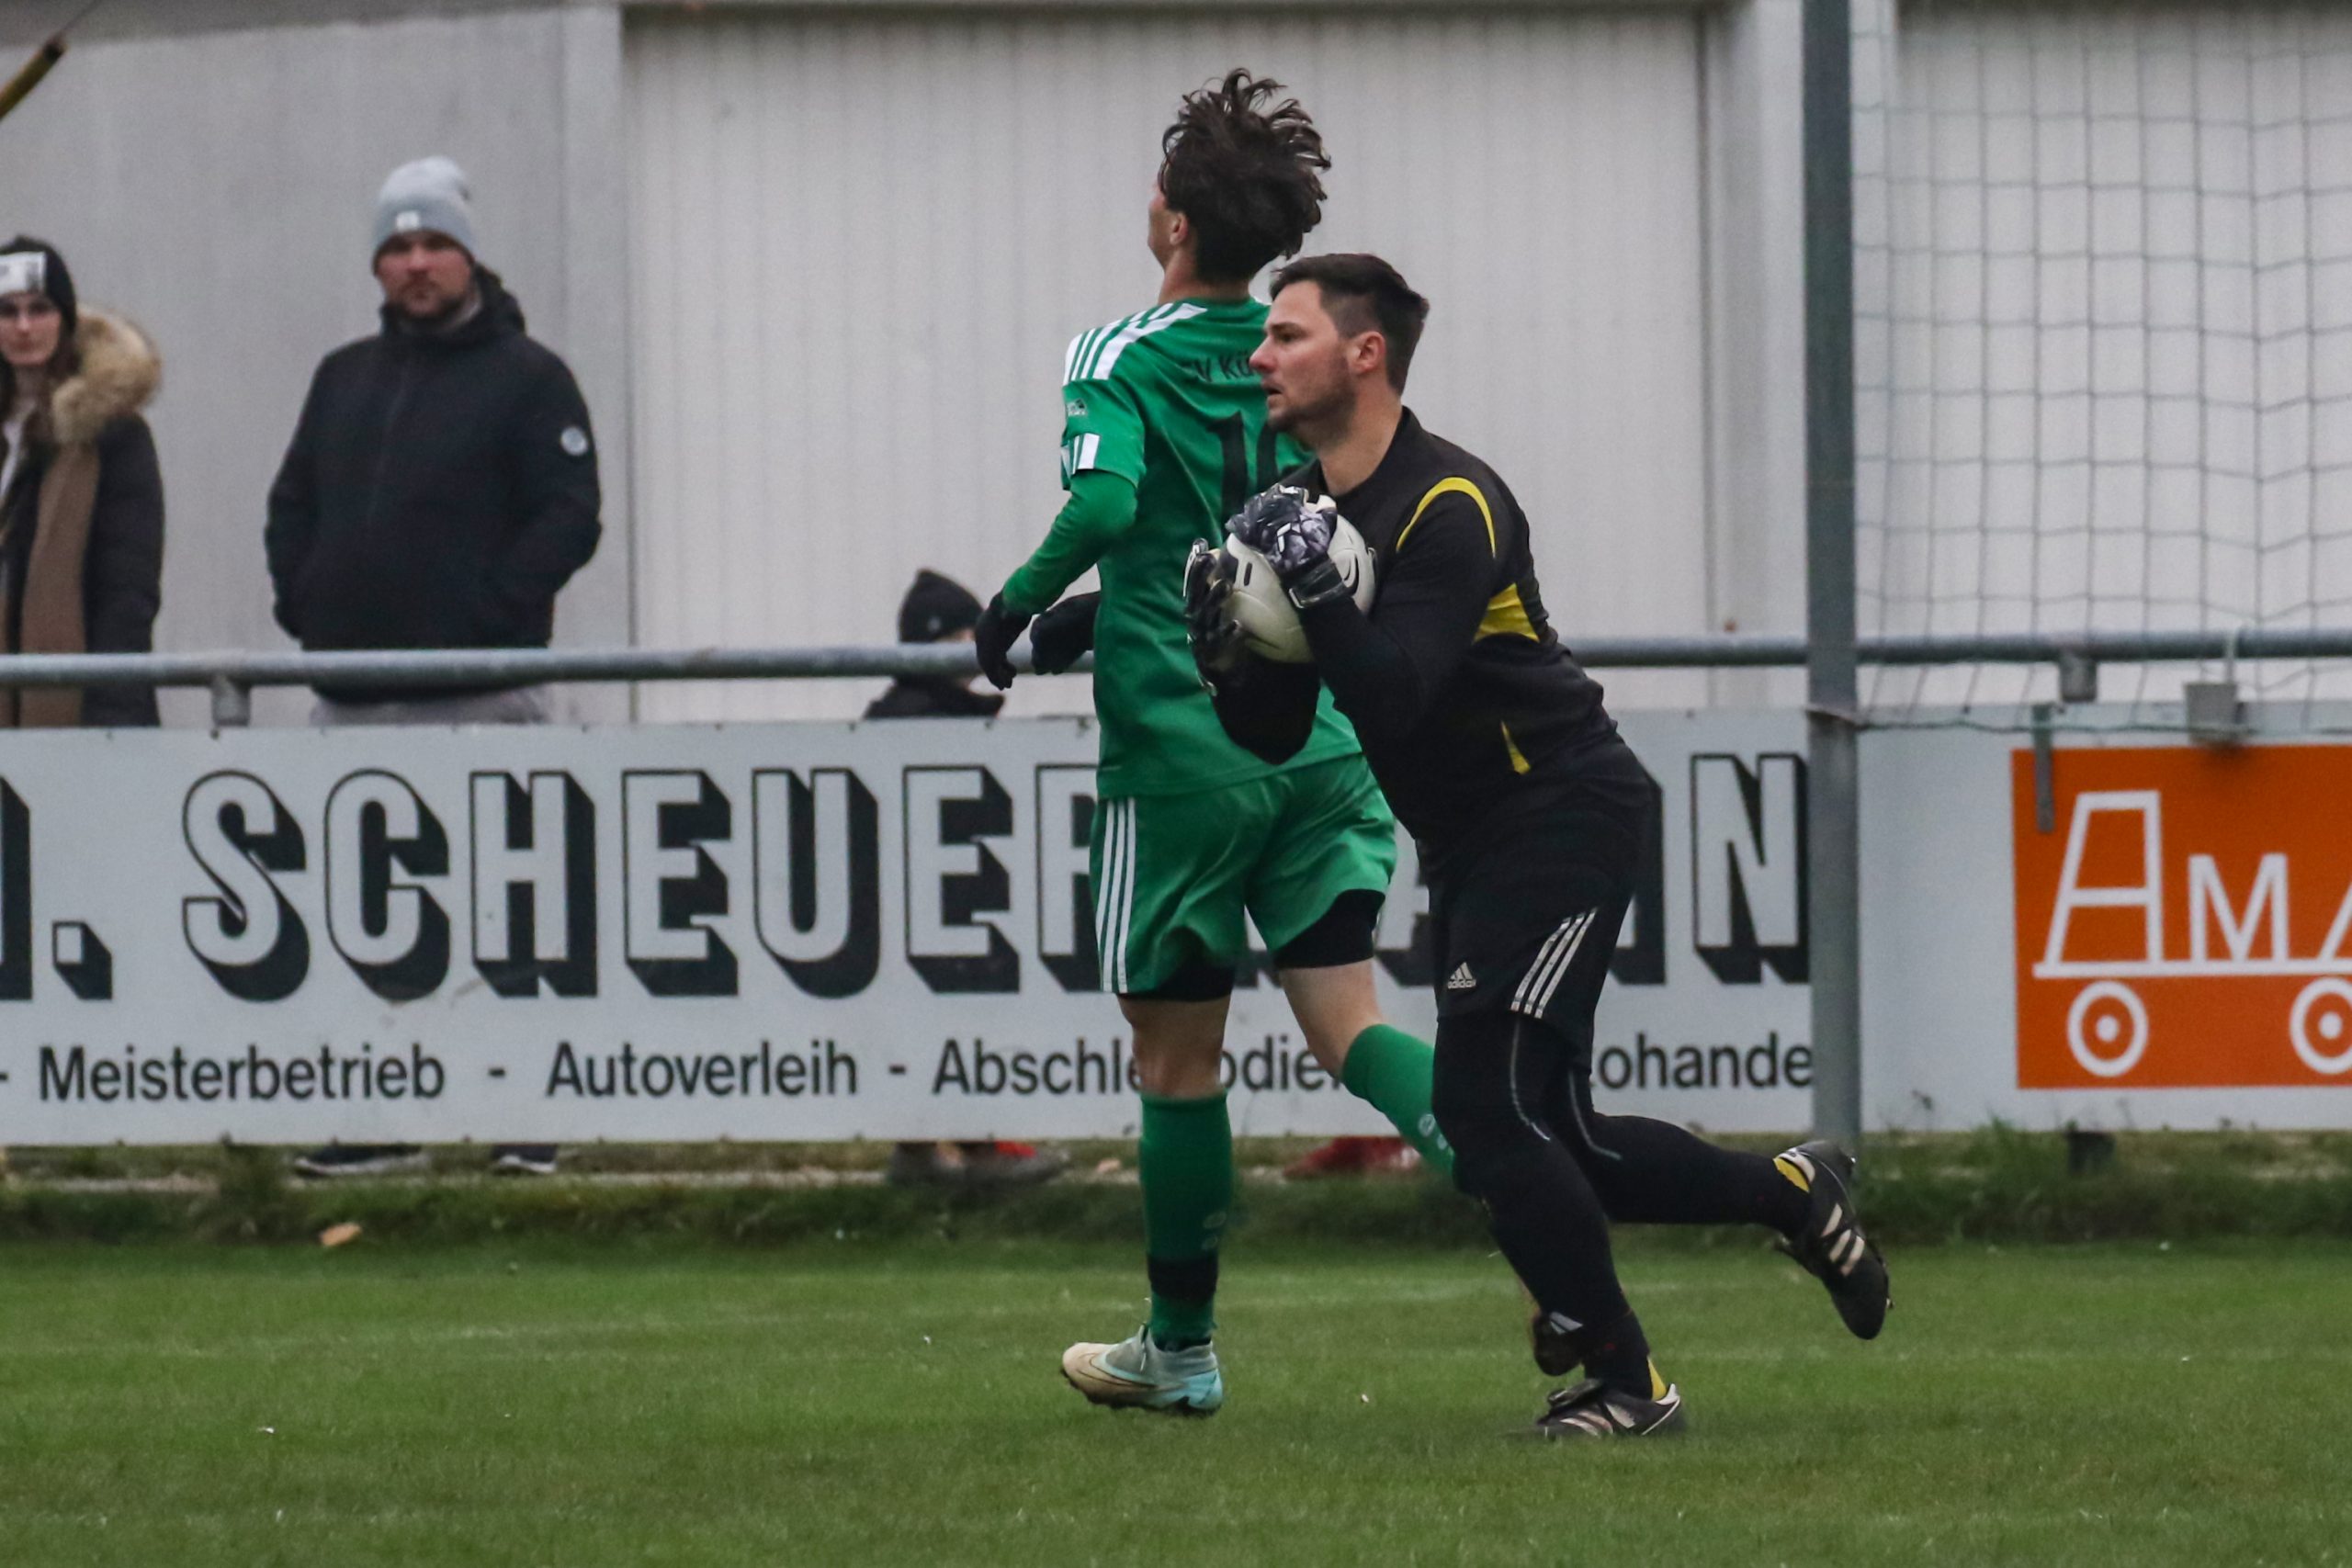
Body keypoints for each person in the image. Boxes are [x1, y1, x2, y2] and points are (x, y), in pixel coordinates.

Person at [1189, 253, 1892, 1438]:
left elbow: (1395, 696)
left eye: (1287, 335)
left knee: (1488, 1111)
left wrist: (1308, 594)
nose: (1260, 355)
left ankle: (1629, 1385)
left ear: (1366, 354)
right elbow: (1282, 725)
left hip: (1559, 809)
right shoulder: (1305, 509)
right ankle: (1790, 1189)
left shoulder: (1449, 502)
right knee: (1562, 1136)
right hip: (1474, 842)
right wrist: (1228, 657)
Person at [967, 71, 1453, 1419]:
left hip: (1186, 757)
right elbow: (1248, 525)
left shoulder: (1118, 351)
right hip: (1322, 738)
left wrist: (1014, 602)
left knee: (1178, 1062)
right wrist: (1100, 609)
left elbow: (1111, 502)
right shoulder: (1294, 346)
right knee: (1352, 1025)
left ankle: (1179, 1350)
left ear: (1172, 222)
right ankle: (1550, 1223)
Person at [266, 156, 602, 1179]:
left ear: (468, 255)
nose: (416, 263)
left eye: (435, 244)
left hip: (482, 700)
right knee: (369, 918)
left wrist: (490, 614)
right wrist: (308, 602)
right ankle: (383, 1112)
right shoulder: (342, 378)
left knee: (508, 906)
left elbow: (570, 514)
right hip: (355, 702)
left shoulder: (531, 378)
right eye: (399, 247)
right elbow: (291, 505)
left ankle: (522, 1109)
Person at [870, 570, 1071, 1190]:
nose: (972, 648)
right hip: (938, 912)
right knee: (953, 1012)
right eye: (959, 635)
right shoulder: (930, 723)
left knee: (922, 1018)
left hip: (909, 913)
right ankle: (978, 1147)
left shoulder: (903, 718)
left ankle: (924, 1147)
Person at [0, 237, 164, 728]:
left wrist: (109, 722)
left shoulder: (112, 435)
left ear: (65, 319)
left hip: (85, 718)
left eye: (40, 309)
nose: (24, 327)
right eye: (7, 311)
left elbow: (127, 593)